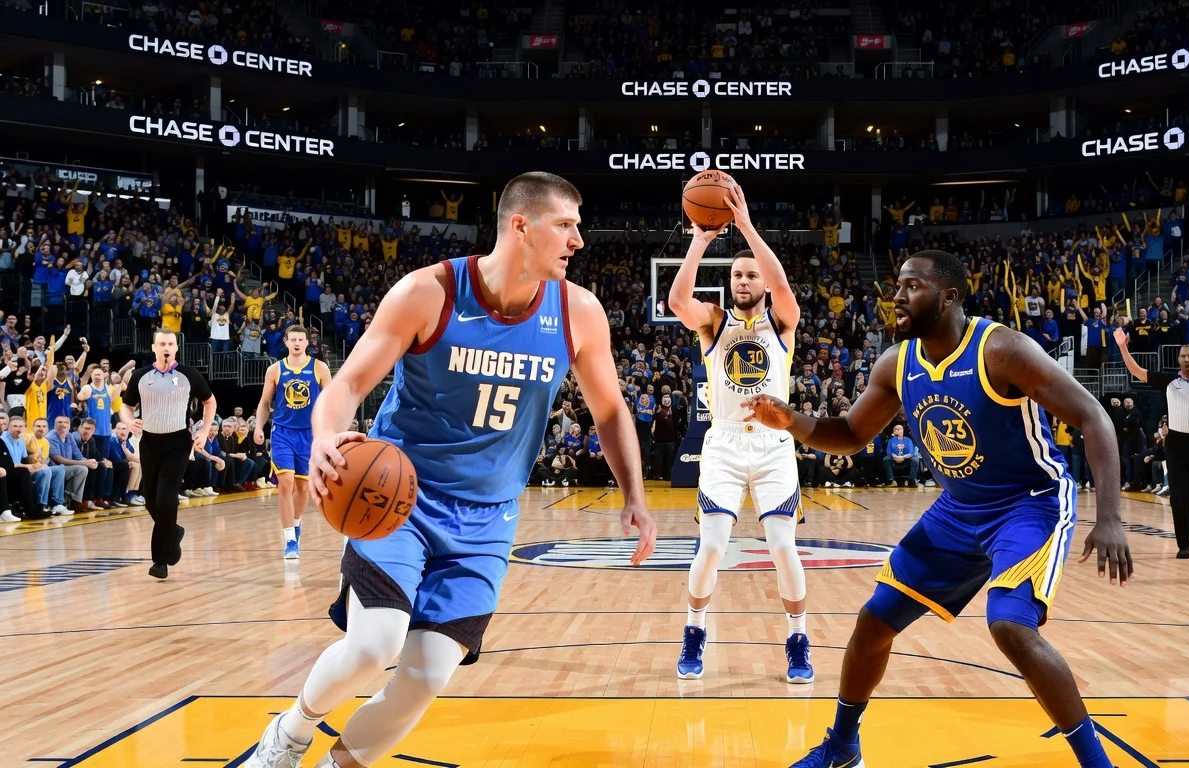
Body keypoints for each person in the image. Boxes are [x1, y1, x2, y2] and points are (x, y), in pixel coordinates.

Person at [249, 172, 657, 768]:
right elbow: (349, 383)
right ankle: (288, 734)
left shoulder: (578, 312)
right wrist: (326, 434)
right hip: (399, 501)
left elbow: (611, 410)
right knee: (374, 645)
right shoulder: (429, 292)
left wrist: (634, 495)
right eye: (566, 225)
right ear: (522, 226)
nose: (579, 240)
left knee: (425, 676)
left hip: (487, 519)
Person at [744, 250, 1131, 768]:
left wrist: (1109, 518)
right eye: (897, 286)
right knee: (874, 623)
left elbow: (1093, 416)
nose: (898, 296)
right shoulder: (897, 363)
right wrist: (793, 421)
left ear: (948, 297)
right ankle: (842, 746)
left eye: (912, 286)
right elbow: (853, 434)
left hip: (1027, 502)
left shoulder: (1002, 350)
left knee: (1010, 623)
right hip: (959, 508)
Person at [666, 182, 812, 684]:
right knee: (711, 548)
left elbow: (784, 288)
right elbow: (676, 299)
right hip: (725, 443)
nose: (744, 280)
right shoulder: (713, 322)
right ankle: (694, 630)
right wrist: (700, 240)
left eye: (751, 274)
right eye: (737, 274)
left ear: (763, 281)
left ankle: (798, 640)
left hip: (773, 446)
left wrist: (745, 226)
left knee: (783, 548)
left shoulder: (783, 322)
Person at [1112, 334, 1189, 558]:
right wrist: (1122, 347)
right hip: (1176, 444)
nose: (1187, 359)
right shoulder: (1169, 381)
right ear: (1178, 359)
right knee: (1178, 496)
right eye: (1183, 356)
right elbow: (1136, 370)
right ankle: (1184, 544)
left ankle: (1188, 514)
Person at [119, 329, 218, 580]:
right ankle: (173, 532)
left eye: (170, 344)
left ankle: (160, 560)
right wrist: (129, 421)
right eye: (162, 343)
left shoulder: (189, 374)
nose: (166, 347)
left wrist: (204, 429)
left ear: (176, 348)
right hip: (149, 442)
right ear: (154, 347)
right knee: (151, 501)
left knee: (166, 499)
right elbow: (126, 406)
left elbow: (210, 402)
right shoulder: (140, 376)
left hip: (178, 443)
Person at [254, 325, 331, 560]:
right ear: (286, 342)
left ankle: (296, 524)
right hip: (282, 433)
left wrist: (330, 430)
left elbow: (331, 401)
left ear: (307, 342)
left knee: (303, 488)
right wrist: (258, 427)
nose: (297, 343)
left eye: (301, 339)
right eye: (293, 339)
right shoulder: (275, 369)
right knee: (285, 483)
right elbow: (264, 402)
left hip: (309, 434)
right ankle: (289, 539)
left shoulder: (319, 367)